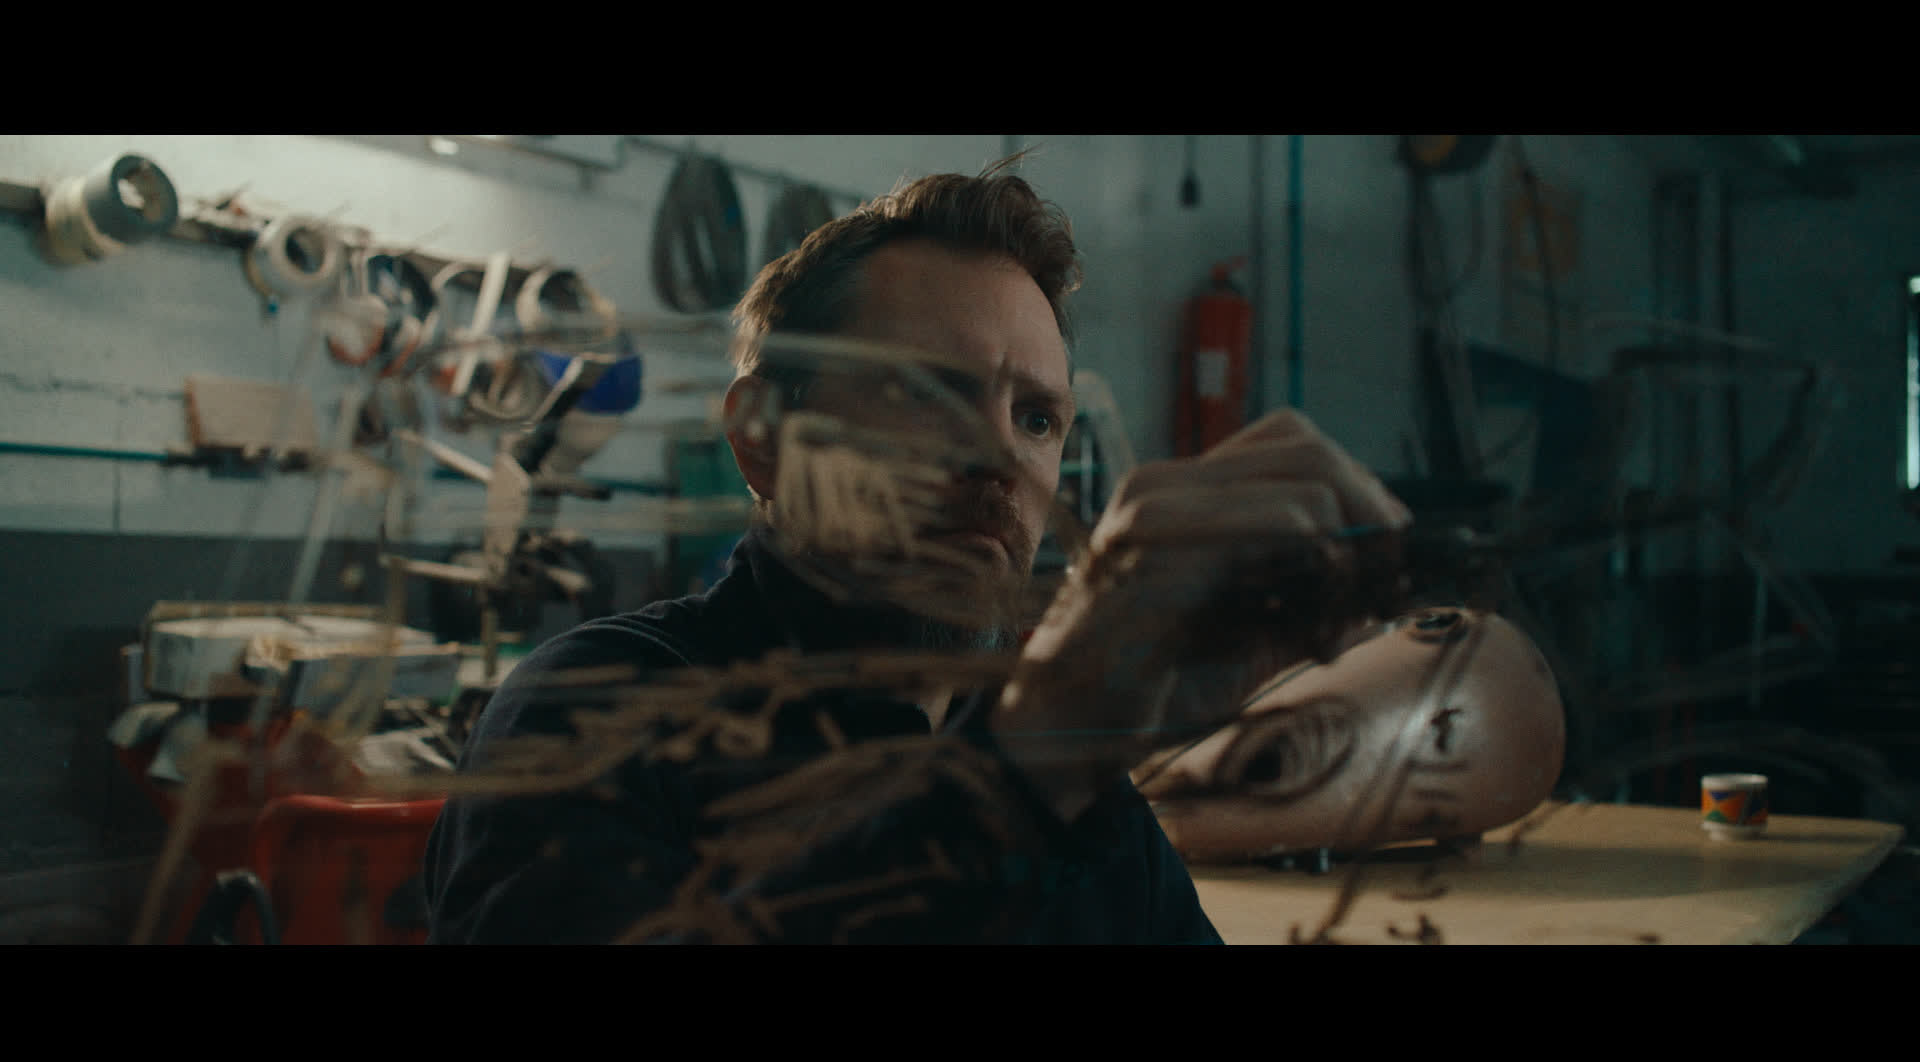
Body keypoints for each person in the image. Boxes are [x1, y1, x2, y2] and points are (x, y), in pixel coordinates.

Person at [422, 154, 1416, 944]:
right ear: (761, 437)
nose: (1000, 458)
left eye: (1036, 418)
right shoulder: (588, 716)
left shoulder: (1085, 797)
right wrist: (1037, 754)